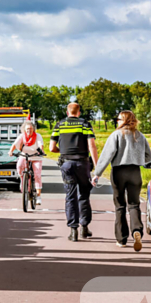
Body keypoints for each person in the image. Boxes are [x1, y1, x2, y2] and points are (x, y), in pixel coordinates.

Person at [92, 110, 151, 251]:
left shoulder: (116, 135)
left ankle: (121, 239)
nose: (117, 121)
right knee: (134, 204)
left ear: (124, 120)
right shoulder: (140, 136)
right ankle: (137, 230)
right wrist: (138, 160)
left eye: (119, 119)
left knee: (120, 205)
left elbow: (107, 155)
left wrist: (97, 174)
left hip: (119, 172)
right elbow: (148, 157)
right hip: (135, 172)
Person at [51, 103, 100, 241]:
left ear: (67, 112)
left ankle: (73, 231)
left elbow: (51, 148)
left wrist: (64, 151)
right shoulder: (85, 124)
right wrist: (97, 166)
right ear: (78, 112)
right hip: (82, 163)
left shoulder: (59, 125)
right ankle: (84, 227)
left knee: (70, 195)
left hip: (66, 164)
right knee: (84, 194)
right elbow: (92, 146)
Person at [11, 120, 44, 205]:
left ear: (33, 129)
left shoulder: (38, 136)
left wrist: (41, 151)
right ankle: (23, 181)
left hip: (36, 157)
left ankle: (38, 196)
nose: (29, 130)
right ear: (24, 130)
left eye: (30, 128)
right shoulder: (22, 136)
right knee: (19, 166)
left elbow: (41, 144)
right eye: (27, 129)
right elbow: (15, 144)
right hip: (24, 155)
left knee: (37, 174)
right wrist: (10, 151)